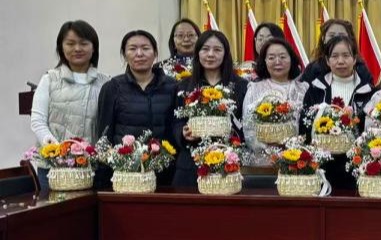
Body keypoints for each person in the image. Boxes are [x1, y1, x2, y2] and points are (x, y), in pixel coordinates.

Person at [30, 21, 110, 190]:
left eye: (84, 43)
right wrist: (57, 151)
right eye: (70, 43)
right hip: (54, 169)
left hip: (92, 168)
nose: (77, 48)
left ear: (94, 48)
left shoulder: (106, 83)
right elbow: (37, 121)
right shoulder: (49, 79)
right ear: (61, 47)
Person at [97, 30, 178, 185]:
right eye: (132, 49)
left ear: (155, 53)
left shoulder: (172, 86)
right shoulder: (113, 87)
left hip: (165, 172)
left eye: (145, 48)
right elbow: (104, 135)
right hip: (125, 173)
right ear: (124, 54)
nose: (139, 54)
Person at [171, 30, 249, 186]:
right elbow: (174, 121)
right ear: (198, 53)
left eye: (217, 50)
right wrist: (182, 133)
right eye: (205, 49)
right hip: (190, 164)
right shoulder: (184, 86)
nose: (210, 54)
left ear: (225, 54)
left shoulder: (241, 86)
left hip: (228, 162)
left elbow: (246, 124)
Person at [300, 36, 376, 190]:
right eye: (334, 56)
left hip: (358, 168)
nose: (340, 61)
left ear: (354, 59)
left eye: (346, 55)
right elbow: (304, 124)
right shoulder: (316, 89)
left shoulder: (369, 91)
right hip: (321, 168)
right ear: (327, 61)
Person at [241, 38, 309, 161]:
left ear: (292, 59)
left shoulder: (304, 89)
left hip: (297, 160)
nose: (277, 62)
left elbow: (308, 126)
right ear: (264, 61)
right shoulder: (254, 89)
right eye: (271, 58)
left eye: (283, 57)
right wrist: (271, 152)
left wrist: (293, 149)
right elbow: (248, 127)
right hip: (262, 161)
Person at [300, 19, 373, 85]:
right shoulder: (313, 69)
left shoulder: (360, 70)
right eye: (332, 35)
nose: (336, 39)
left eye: (342, 35)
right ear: (323, 39)